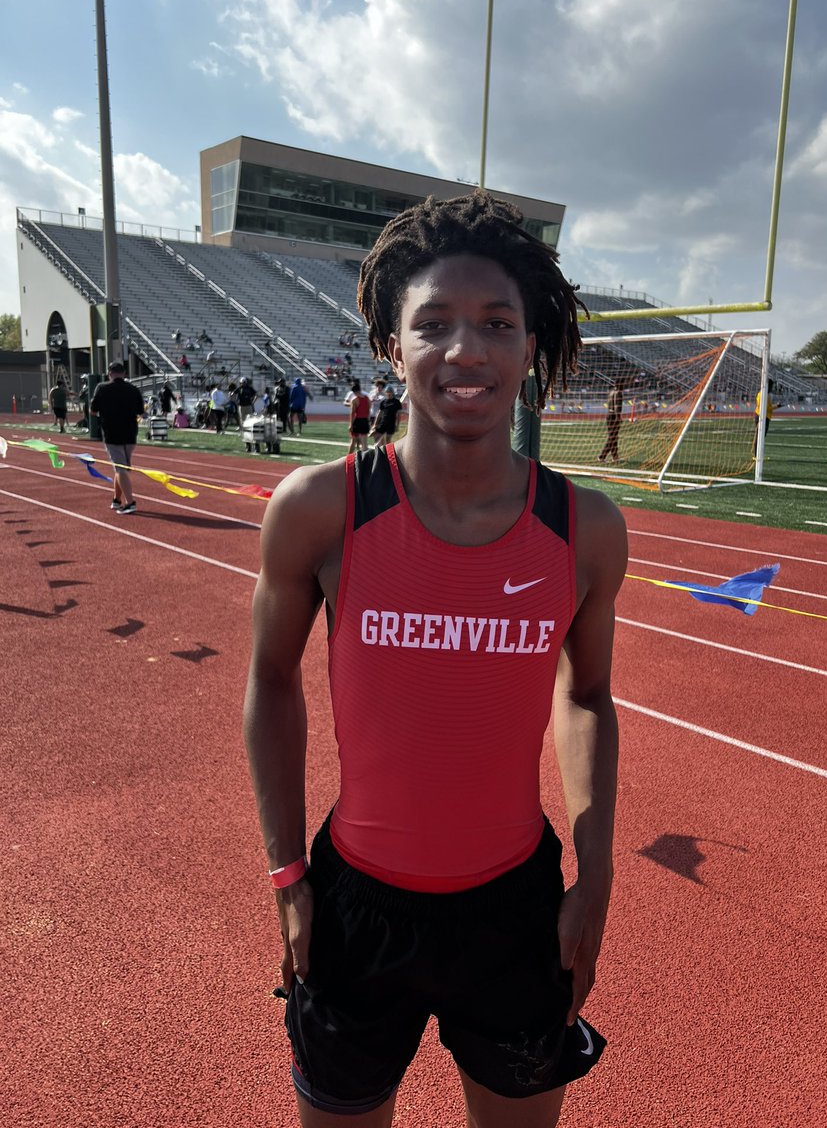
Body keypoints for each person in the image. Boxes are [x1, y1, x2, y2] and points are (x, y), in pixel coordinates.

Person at [243, 191, 627, 1128]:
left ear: (530, 346)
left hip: (515, 910)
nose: (466, 350)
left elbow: (588, 696)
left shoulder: (584, 527)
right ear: (390, 345)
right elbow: (270, 681)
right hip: (354, 907)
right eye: (434, 323)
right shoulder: (320, 507)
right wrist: (287, 876)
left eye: (497, 323)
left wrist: (596, 875)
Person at [89, 359, 145, 514]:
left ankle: (130, 502)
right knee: (121, 468)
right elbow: (141, 411)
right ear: (124, 373)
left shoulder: (102, 388)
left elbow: (93, 411)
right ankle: (116, 500)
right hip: (130, 433)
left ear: (109, 374)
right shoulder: (133, 389)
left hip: (112, 433)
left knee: (120, 468)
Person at [597, 376, 626, 464]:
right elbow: (617, 406)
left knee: (613, 437)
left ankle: (615, 456)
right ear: (619, 384)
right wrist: (618, 417)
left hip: (609, 415)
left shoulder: (611, 392)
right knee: (612, 437)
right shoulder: (618, 393)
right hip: (614, 416)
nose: (624, 386)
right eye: (623, 384)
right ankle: (602, 456)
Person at [752, 379, 779, 459]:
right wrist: (777, 406)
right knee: (759, 436)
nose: (771, 388)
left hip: (764, 416)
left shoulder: (764, 394)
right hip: (761, 416)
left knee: (761, 436)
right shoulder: (762, 395)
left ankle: (759, 455)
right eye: (771, 386)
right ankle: (756, 455)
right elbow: (766, 408)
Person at [347, 379, 371, 453]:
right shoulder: (367, 398)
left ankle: (349, 457)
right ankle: (365, 458)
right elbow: (368, 409)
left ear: (354, 392)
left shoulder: (354, 400)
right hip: (365, 421)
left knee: (353, 441)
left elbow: (352, 413)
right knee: (364, 443)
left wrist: (351, 424)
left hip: (357, 421)